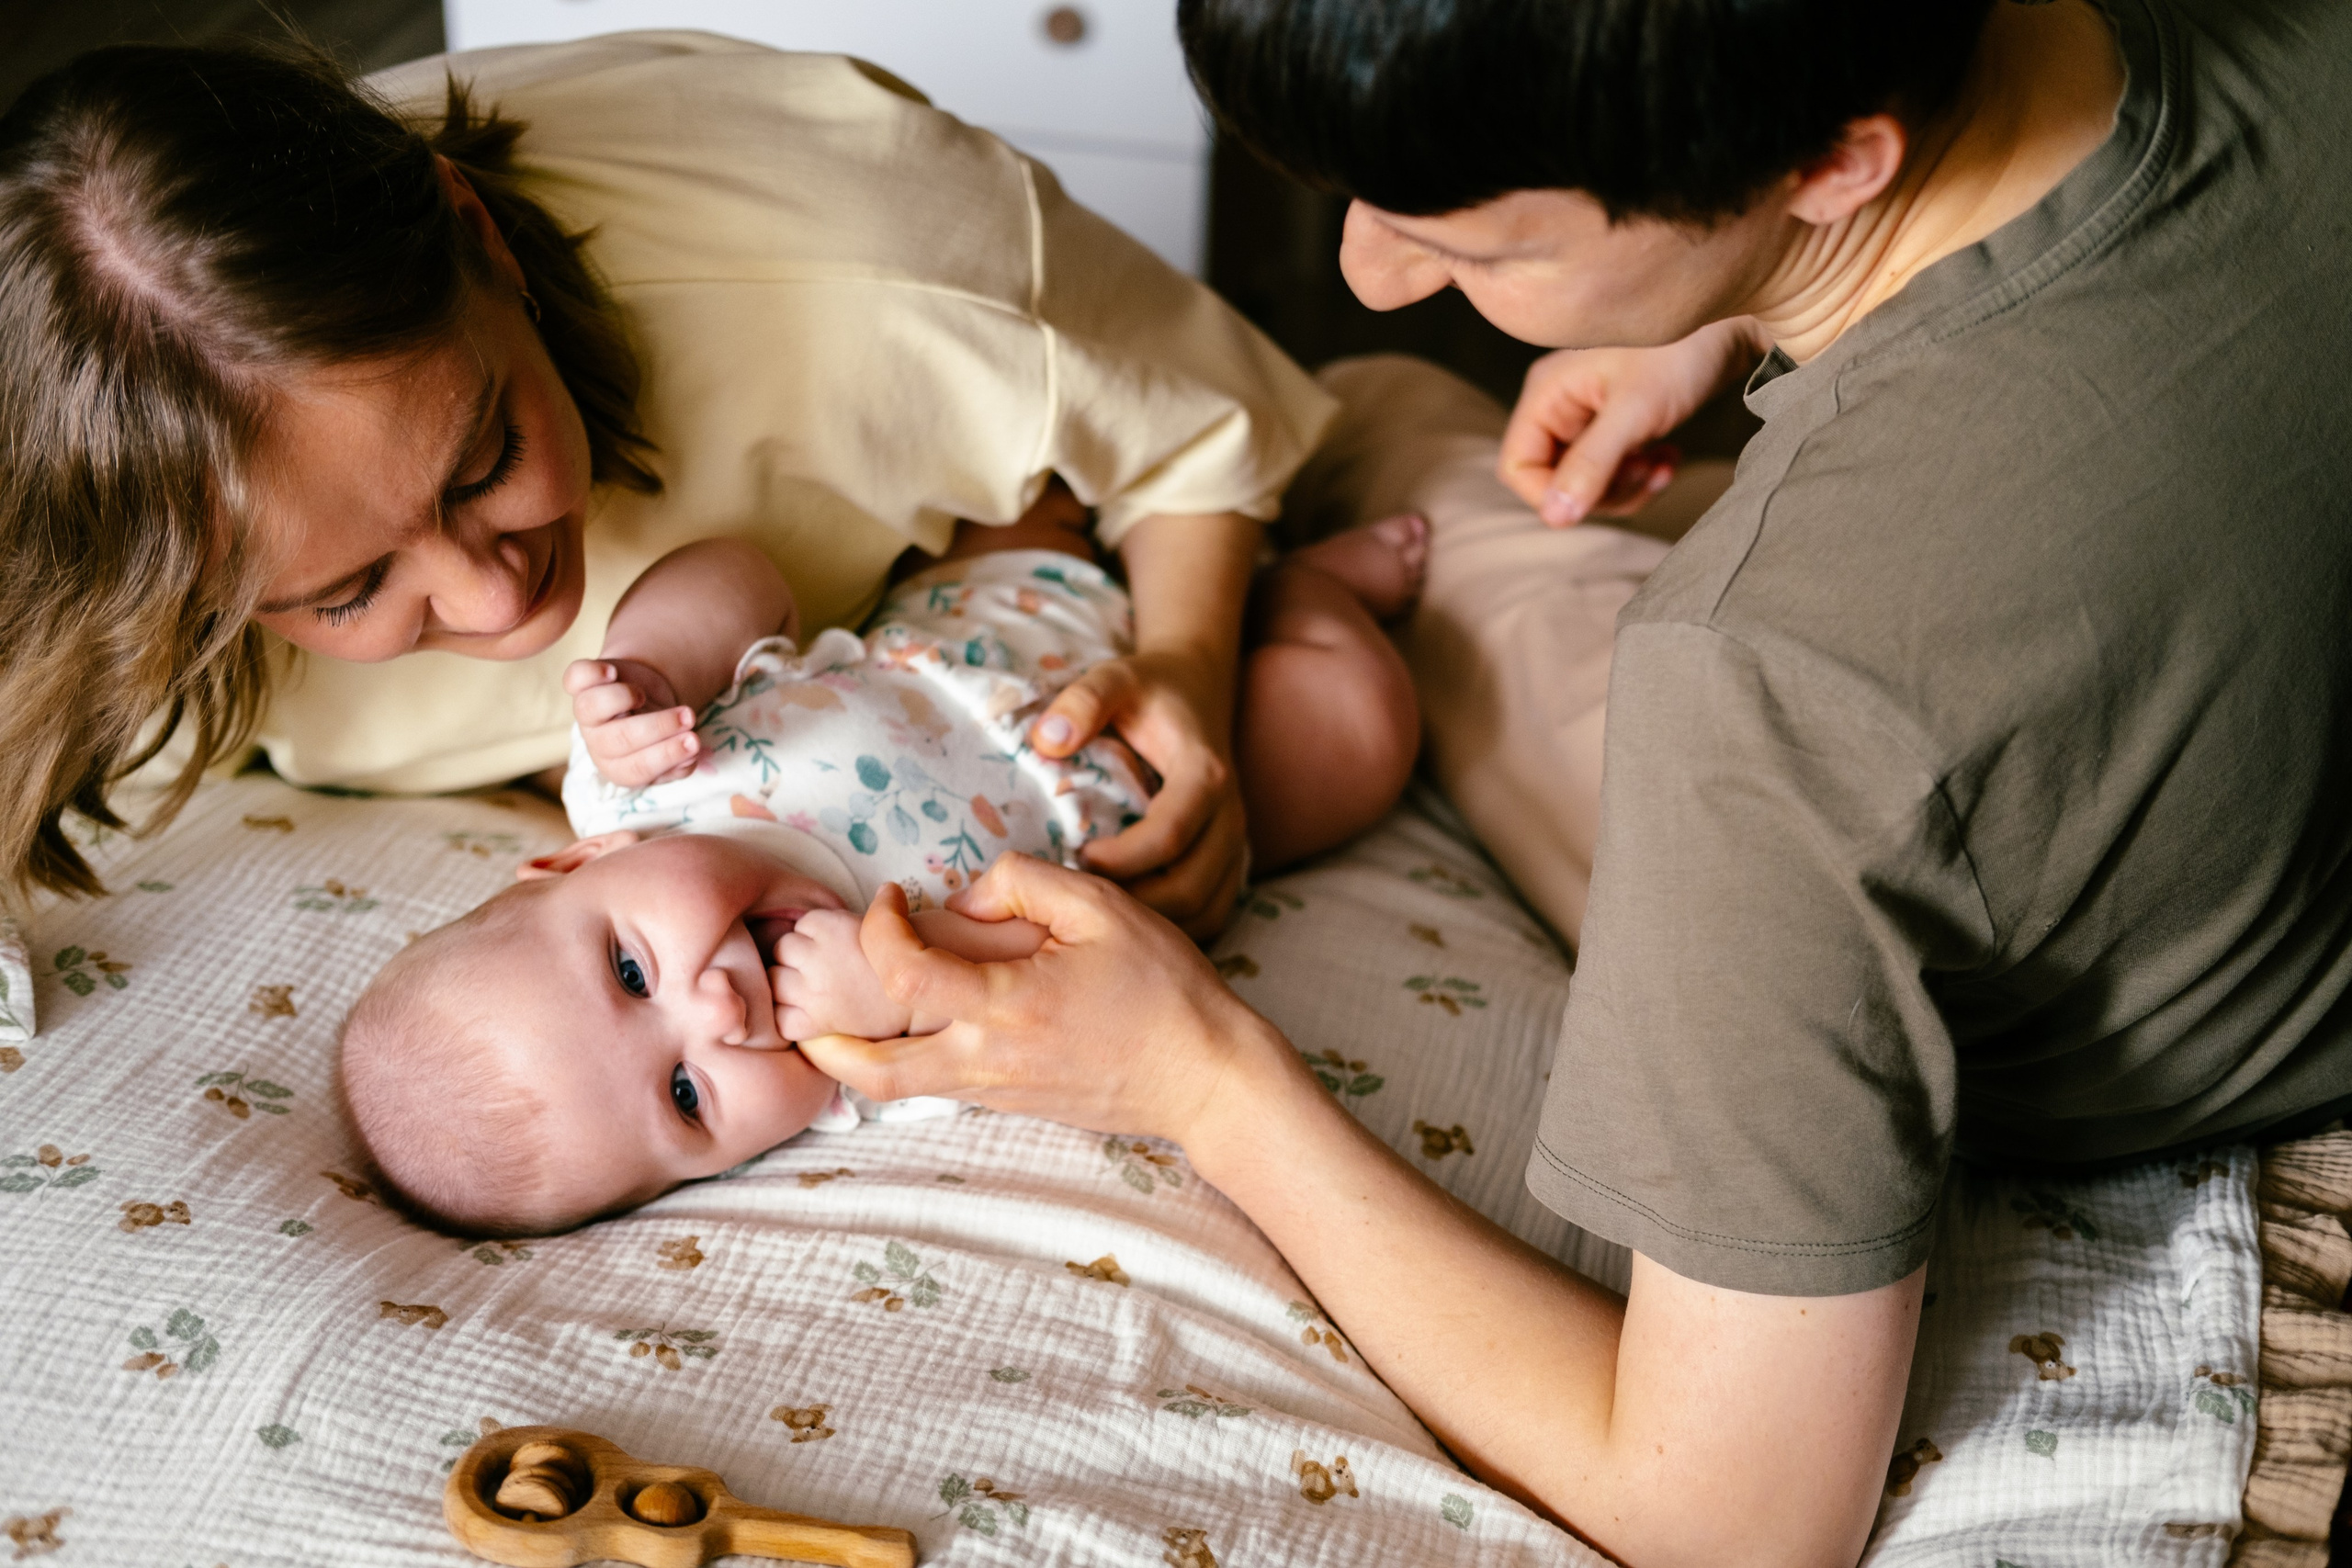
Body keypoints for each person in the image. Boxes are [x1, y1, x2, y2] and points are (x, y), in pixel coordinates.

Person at [789, 0, 2352, 1562]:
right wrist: (1735, 304)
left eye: (1468, 239)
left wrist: (1197, 1075)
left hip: (2161, 1007)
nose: (1371, 268)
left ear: (1826, 163)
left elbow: (1725, 1513)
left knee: (1388, 420)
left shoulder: (1765, 684)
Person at [0, 32, 1340, 938]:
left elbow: (1199, 430)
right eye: (348, 591)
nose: (493, 594)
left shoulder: (898, 279)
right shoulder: (87, 607)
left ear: (480, 237)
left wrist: (1194, 662)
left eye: (487, 460)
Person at [339, 502, 1425, 1235]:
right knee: (1359, 728)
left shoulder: (644, 780)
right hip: (1162, 788)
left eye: (630, 973)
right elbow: (1075, 996)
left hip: (989, 601)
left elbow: (743, 576)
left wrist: (658, 661)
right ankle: (1305, 600)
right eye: (685, 1096)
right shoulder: (867, 1064)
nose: (714, 1008)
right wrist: (915, 982)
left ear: (581, 857)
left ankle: (1220, 572)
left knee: (1020, 481)